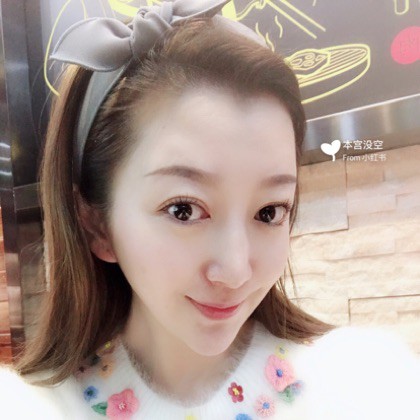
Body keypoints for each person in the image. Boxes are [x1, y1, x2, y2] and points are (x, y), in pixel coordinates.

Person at [0, 1, 419, 419]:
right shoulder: (35, 409)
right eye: (183, 210)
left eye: (270, 212)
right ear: (96, 224)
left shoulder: (366, 386)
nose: (235, 271)